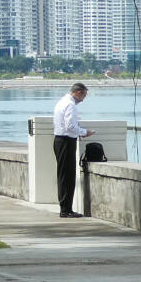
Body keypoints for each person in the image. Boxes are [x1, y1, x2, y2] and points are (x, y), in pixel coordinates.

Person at [52, 82, 93, 218]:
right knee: (67, 176)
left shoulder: (62, 102)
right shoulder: (70, 105)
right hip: (66, 141)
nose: (83, 99)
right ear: (78, 92)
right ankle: (66, 209)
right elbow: (70, 126)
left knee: (64, 174)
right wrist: (83, 132)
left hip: (60, 140)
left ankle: (66, 208)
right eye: (84, 95)